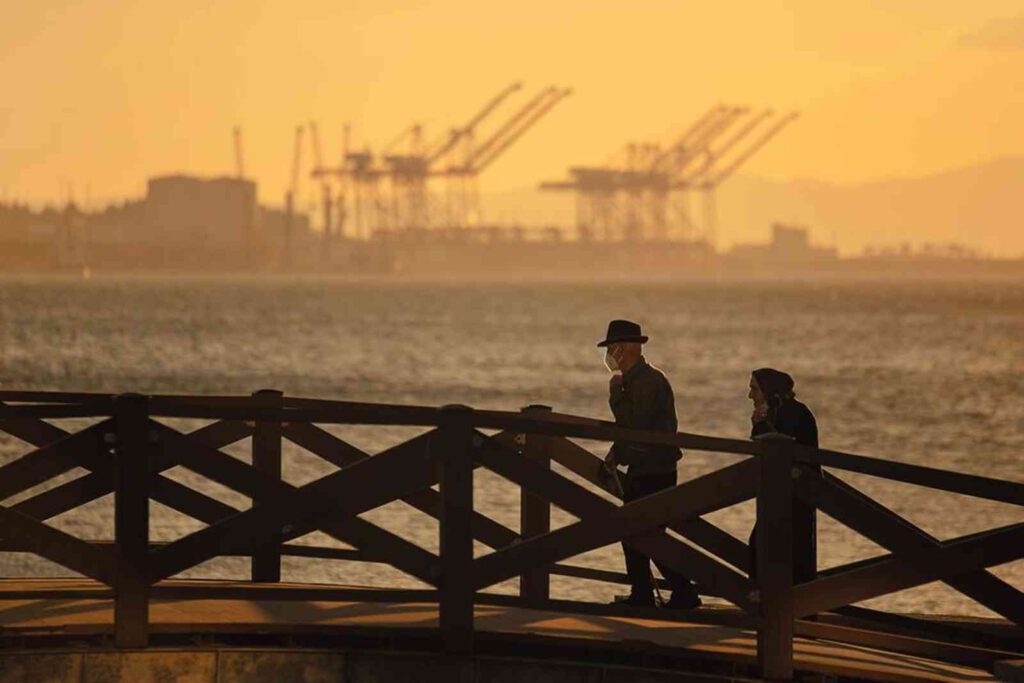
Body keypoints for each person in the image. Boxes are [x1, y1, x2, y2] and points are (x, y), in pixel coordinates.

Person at [598, 319, 701, 610]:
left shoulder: (648, 381)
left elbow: (634, 424)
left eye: (614, 347)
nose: (611, 354)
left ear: (628, 348)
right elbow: (630, 433)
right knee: (637, 534)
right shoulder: (637, 380)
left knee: (644, 534)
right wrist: (616, 453)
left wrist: (615, 394)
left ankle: (678, 592)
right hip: (644, 468)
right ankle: (648, 592)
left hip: (655, 470)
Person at [747, 368, 818, 584]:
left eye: (754, 389)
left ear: (769, 391)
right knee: (761, 547)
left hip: (797, 495)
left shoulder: (795, 413)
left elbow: (780, 448)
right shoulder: (775, 412)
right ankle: (768, 601)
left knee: (789, 553)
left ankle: (789, 606)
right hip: (777, 495)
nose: (750, 395)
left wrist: (760, 425)